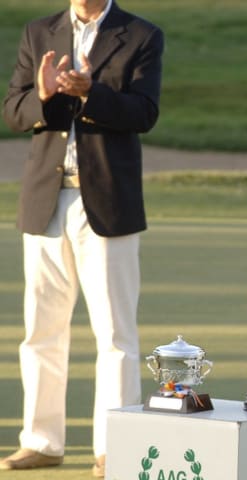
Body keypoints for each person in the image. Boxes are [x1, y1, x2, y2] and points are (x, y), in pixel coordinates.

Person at [0, 0, 163, 476]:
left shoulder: (141, 34)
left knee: (115, 335)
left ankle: (114, 447)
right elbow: (14, 111)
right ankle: (41, 441)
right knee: (41, 332)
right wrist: (45, 95)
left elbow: (144, 112)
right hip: (46, 200)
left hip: (108, 203)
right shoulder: (38, 32)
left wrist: (92, 93)